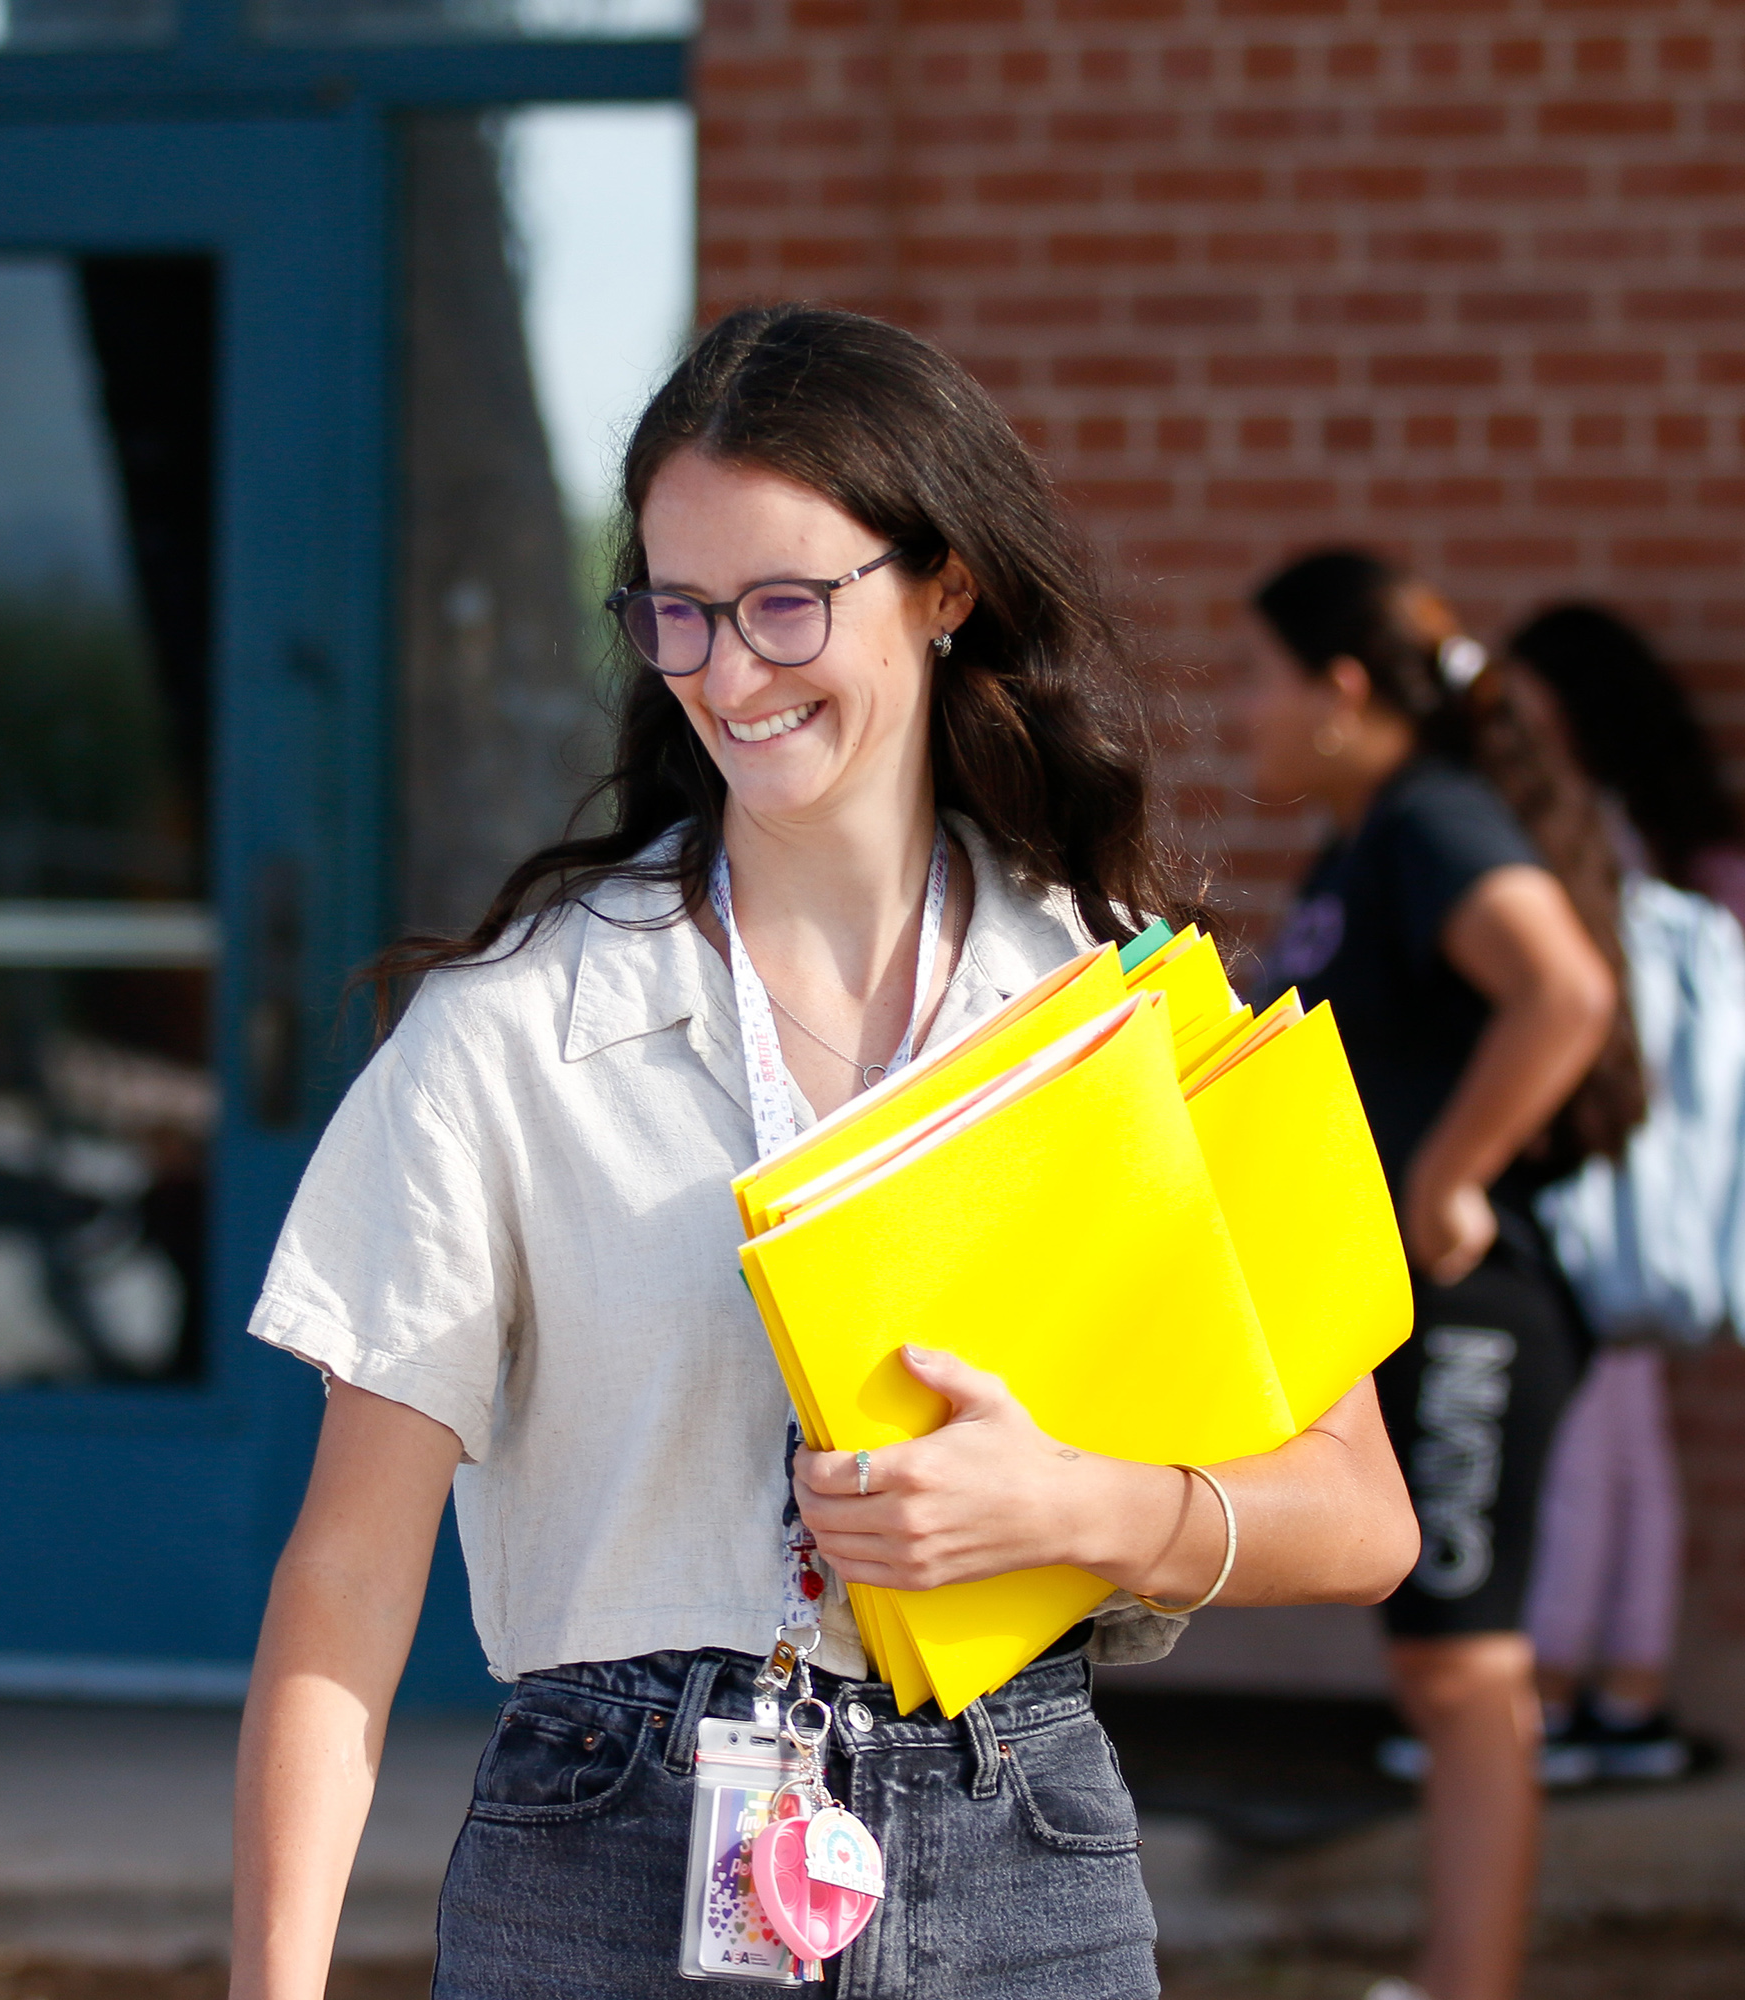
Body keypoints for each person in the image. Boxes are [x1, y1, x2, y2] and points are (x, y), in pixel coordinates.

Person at [231, 306, 1420, 2000]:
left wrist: (1071, 1507)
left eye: (787, 603)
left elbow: (1361, 1515)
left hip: (1026, 1861)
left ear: (945, 588)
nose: (727, 669)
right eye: (678, 612)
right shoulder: (507, 1032)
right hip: (604, 1865)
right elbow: (348, 1572)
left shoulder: (1121, 997)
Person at [1241, 551, 1642, 2000]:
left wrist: (1452, 1175)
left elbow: (1567, 991)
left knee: (1470, 1676)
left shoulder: (1430, 819)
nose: (1248, 711)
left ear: (1345, 692)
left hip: (1480, 1311)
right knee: (1440, 1672)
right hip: (1411, 1315)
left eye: (1263, 676)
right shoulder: (1367, 841)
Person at [1506, 603, 1745, 1784]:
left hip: (1617, 1198)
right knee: (1624, 1444)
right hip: (1664, 1204)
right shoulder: (1710, 869)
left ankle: (1557, 1694)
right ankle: (1620, 1692)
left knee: (1585, 1443)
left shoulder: (1634, 866)